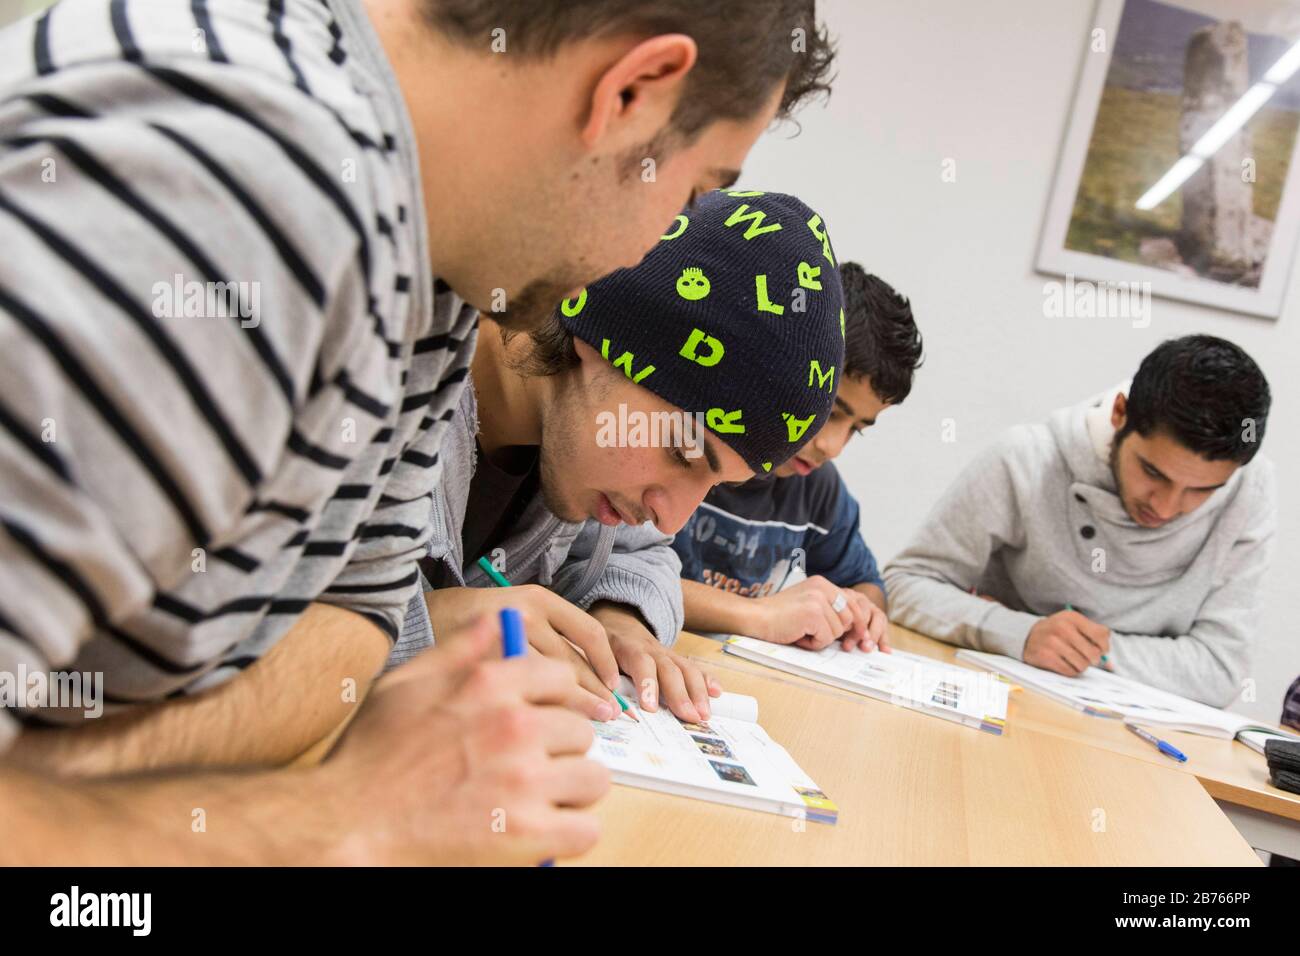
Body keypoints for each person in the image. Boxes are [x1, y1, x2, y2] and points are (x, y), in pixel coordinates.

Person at [0, 0, 835, 863]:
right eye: (691, 194)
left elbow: (352, 622)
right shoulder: (247, 186)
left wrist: (83, 778)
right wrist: (337, 819)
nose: (653, 252)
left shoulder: (440, 265)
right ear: (632, 90)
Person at [395, 188, 848, 724]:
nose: (672, 518)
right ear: (608, 334)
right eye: (682, 451)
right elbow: (302, 621)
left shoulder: (581, 447)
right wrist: (432, 626)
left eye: (715, 485)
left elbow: (644, 554)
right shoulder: (386, 379)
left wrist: (619, 618)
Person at [884, 335, 1274, 708]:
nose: (1167, 507)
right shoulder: (1026, 460)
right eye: (1153, 472)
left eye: (1202, 490)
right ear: (1120, 413)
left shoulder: (1249, 492)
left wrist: (1079, 648)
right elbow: (904, 585)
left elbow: (1221, 670)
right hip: (1006, 704)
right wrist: (1019, 633)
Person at [671, 263, 922, 652]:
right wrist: (762, 615)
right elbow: (617, 576)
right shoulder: (681, 447)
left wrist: (858, 609)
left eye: (856, 429)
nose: (832, 447)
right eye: (830, 412)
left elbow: (867, 584)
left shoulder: (817, 487)